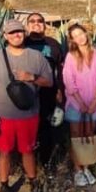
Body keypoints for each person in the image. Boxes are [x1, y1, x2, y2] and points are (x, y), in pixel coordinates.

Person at [0, 19, 53, 192]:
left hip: (29, 115)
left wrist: (31, 77)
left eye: (19, 31)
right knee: (3, 152)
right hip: (4, 116)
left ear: (24, 33)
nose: (16, 35)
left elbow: (49, 82)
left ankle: (32, 181)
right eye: (11, 33)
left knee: (28, 151)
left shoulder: (36, 57)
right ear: (5, 36)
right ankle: (4, 185)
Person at [62, 24, 96, 187]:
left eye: (81, 33)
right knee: (76, 136)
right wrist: (81, 103)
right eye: (75, 35)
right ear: (72, 40)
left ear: (85, 34)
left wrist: (95, 101)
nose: (80, 37)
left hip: (94, 102)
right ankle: (77, 170)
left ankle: (86, 167)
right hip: (76, 103)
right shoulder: (70, 56)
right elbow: (68, 81)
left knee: (89, 134)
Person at [24, 12, 65, 166]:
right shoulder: (21, 42)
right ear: (27, 25)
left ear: (44, 24)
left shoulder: (53, 44)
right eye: (32, 21)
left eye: (40, 21)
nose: (36, 23)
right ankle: (28, 162)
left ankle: (45, 162)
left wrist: (60, 89)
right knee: (28, 128)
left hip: (48, 92)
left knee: (46, 127)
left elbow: (60, 70)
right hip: (25, 93)